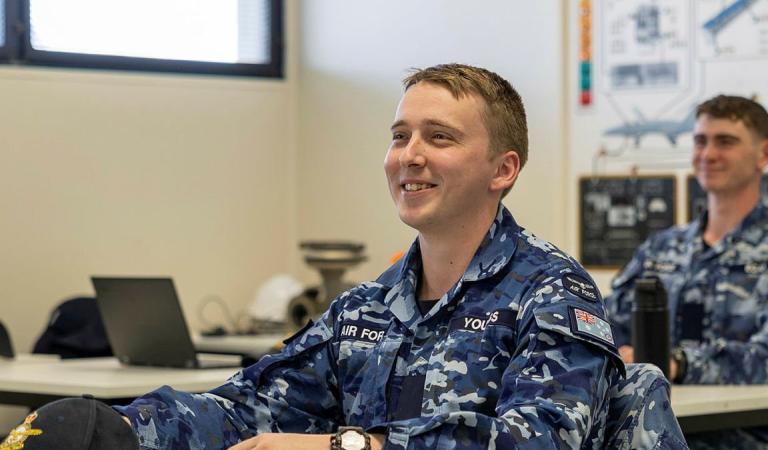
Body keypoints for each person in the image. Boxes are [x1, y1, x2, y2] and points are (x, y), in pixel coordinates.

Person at [3, 64, 684, 450]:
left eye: (439, 137)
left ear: (502, 169)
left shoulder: (554, 293)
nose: (408, 155)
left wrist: (347, 447)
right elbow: (252, 406)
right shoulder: (367, 307)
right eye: (399, 135)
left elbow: (536, 446)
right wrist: (117, 428)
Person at [606, 95, 768, 450]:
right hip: (649, 433)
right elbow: (604, 320)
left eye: (725, 142)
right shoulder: (662, 248)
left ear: (765, 154)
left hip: (744, 439)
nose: (708, 154)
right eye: (700, 141)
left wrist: (678, 363)